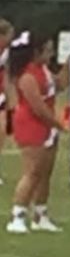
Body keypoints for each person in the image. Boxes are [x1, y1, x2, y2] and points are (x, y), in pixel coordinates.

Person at [6, 31, 69, 234]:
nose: (51, 54)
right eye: (48, 50)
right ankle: (17, 215)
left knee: (45, 173)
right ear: (36, 52)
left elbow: (59, 85)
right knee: (32, 172)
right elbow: (37, 107)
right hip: (31, 125)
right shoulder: (27, 76)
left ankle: (41, 215)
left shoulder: (44, 70)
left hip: (47, 124)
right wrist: (59, 124)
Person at [0, 18, 14, 184]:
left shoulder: (7, 52)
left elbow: (8, 76)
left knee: (2, 131)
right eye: (9, 34)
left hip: (1, 95)